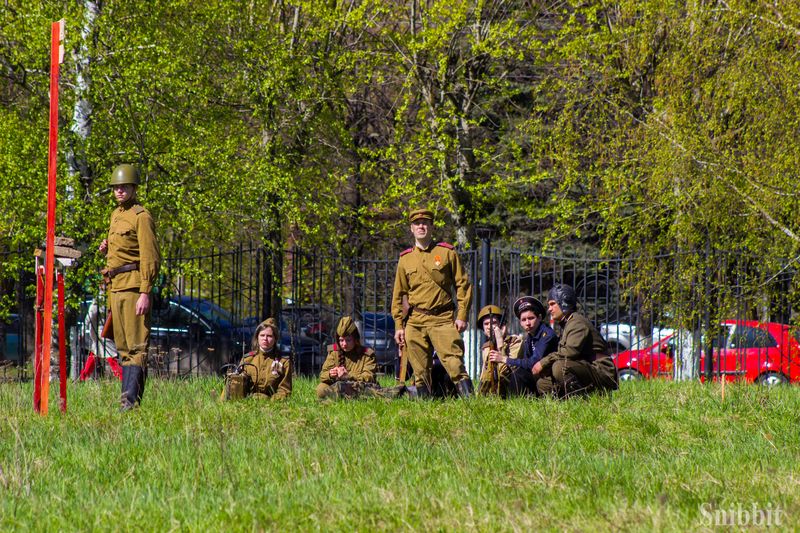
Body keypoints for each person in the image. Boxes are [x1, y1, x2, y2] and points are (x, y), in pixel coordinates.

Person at [391, 208, 474, 398]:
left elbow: (463, 284)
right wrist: (398, 325)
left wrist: (462, 315)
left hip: (442, 318)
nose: (421, 226)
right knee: (420, 372)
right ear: (411, 228)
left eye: (425, 223)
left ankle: (473, 406)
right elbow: (398, 295)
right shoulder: (405, 259)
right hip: (416, 321)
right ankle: (425, 410)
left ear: (431, 227)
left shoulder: (446, 252)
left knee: (455, 364)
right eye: (417, 224)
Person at [99, 164, 160, 410]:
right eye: (116, 188)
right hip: (116, 286)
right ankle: (127, 401)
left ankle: (131, 404)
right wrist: (108, 246)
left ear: (134, 188)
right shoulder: (116, 214)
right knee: (122, 346)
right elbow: (124, 245)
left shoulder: (141, 216)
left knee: (136, 346)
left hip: (134, 287)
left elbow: (150, 256)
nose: (120, 191)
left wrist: (145, 291)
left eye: (124, 187)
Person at [534, 284, 619, 398]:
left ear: (564, 302)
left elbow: (569, 352)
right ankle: (563, 404)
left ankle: (582, 400)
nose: (549, 309)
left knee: (560, 367)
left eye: (552, 304)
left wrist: (544, 363)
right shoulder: (567, 323)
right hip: (585, 368)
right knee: (543, 384)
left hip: (600, 372)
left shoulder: (577, 322)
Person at [487, 296, 559, 396]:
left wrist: (505, 359)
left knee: (519, 374)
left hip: (550, 378)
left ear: (539, 317)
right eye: (523, 320)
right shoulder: (529, 337)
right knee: (515, 373)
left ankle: (516, 402)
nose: (528, 323)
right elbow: (526, 362)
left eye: (531, 318)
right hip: (537, 376)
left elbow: (533, 362)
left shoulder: (547, 335)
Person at [228, 318, 292, 400]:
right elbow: (237, 385)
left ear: (275, 339)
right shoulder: (247, 359)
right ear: (257, 338)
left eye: (269, 336)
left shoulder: (284, 362)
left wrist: (269, 401)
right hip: (248, 404)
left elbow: (285, 390)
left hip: (273, 406)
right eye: (262, 335)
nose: (265, 339)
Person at [316, 316, 379, 400]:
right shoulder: (334, 352)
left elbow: (369, 377)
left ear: (355, 339)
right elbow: (322, 375)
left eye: (348, 340)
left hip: (359, 388)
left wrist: (348, 376)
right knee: (321, 389)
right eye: (341, 340)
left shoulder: (367, 354)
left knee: (369, 391)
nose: (344, 344)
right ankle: (344, 397)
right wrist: (330, 374)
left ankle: (341, 398)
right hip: (338, 388)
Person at [477, 304, 522, 396]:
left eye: (493, 322)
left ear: (502, 325)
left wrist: (500, 343)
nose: (489, 327)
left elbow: (505, 372)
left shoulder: (515, 341)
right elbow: (485, 374)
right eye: (486, 324)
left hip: (510, 389)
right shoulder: (486, 347)